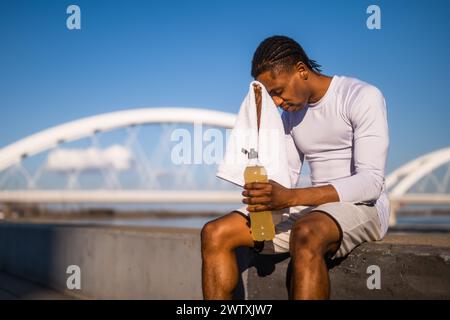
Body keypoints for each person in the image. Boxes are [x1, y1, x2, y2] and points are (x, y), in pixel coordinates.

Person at [201, 35, 390, 300]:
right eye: (271, 96)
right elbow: (286, 178)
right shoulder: (291, 115)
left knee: (306, 233)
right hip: (314, 208)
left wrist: (292, 198)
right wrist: (267, 193)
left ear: (301, 70)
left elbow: (371, 183)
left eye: (278, 91)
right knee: (215, 232)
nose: (277, 102)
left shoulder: (361, 96)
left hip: (364, 206)